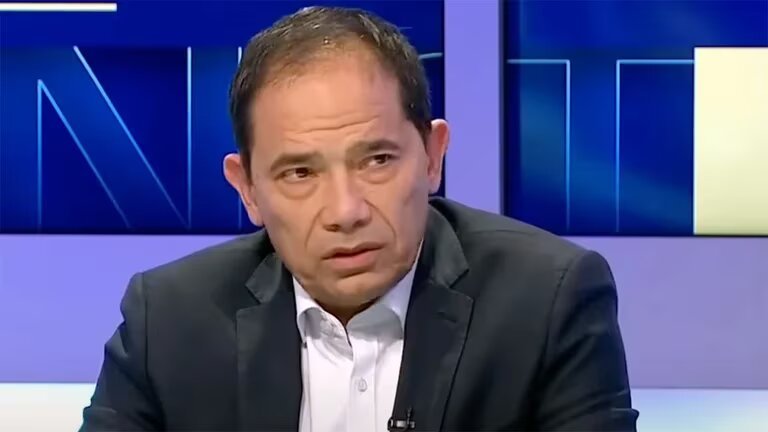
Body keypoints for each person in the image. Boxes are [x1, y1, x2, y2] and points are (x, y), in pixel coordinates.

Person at [80, 6, 638, 432]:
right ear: (247, 189)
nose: (346, 212)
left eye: (377, 161)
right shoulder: (168, 321)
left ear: (433, 156)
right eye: (300, 172)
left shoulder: (547, 302)